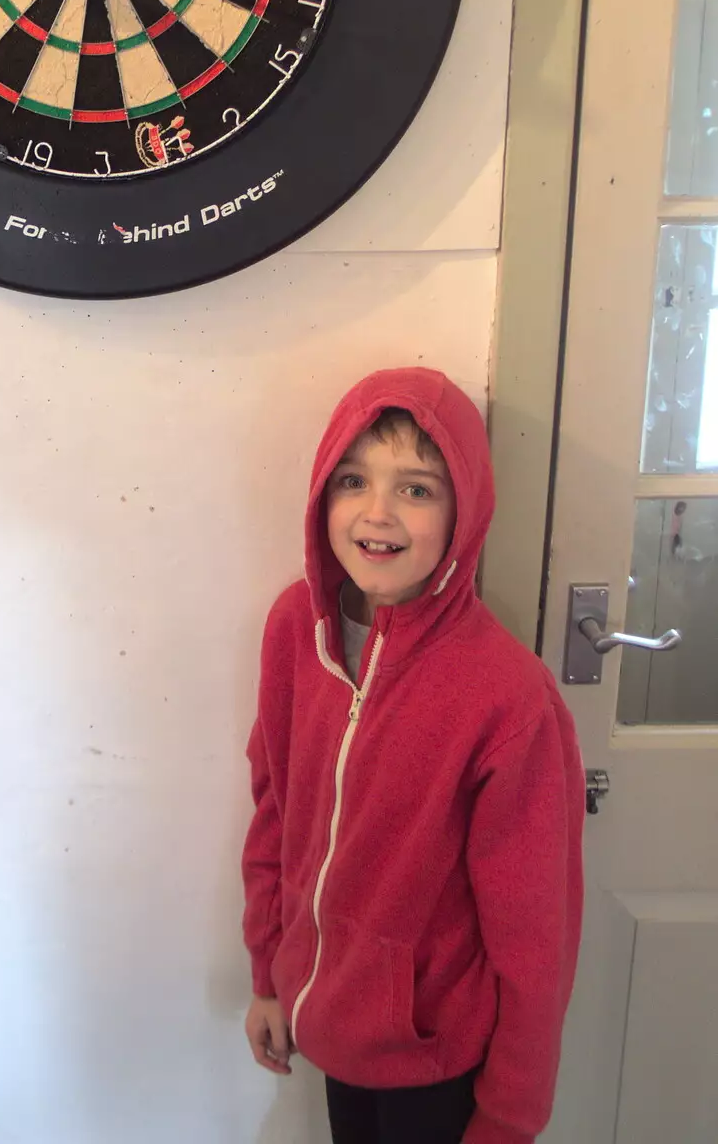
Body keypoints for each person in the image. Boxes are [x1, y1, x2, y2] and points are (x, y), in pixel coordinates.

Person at [241, 367, 584, 1144]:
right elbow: (275, 810)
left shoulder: (504, 695)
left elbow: (536, 936)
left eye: (417, 489)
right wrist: (268, 975)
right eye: (352, 479)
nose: (376, 513)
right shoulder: (296, 629)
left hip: (438, 1063)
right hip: (324, 1025)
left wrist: (509, 1115)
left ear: (465, 512)